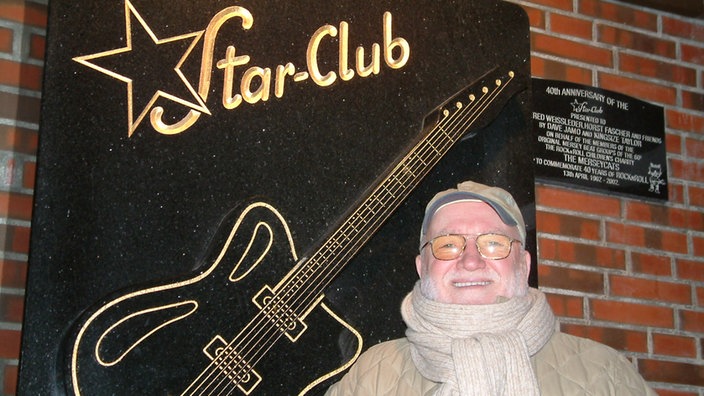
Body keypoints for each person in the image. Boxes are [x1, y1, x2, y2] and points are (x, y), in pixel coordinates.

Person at [325, 180, 656, 395]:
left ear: (524, 266)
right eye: (448, 244)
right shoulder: (373, 375)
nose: (471, 260)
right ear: (422, 267)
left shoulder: (602, 373)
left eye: (494, 243)